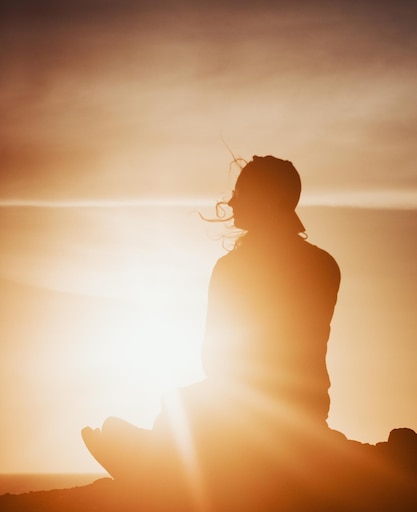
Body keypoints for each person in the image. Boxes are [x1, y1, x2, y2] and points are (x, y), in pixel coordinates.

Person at [82, 156, 341, 484]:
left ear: (271, 200)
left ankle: (149, 465)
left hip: (253, 416)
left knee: (178, 408)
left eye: (243, 192)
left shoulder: (232, 268)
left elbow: (216, 362)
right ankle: (152, 454)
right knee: (182, 408)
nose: (232, 201)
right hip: (309, 409)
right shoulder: (324, 264)